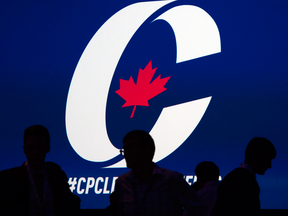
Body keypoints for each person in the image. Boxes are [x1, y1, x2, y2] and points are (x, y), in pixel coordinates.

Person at [108, 130, 203, 216]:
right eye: (124, 150)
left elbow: (198, 210)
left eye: (131, 148)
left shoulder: (172, 180)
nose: (126, 153)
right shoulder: (122, 182)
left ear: (147, 149)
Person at [0, 125, 80, 216]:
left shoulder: (57, 175)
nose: (35, 152)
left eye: (40, 148)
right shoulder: (9, 180)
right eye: (31, 148)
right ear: (24, 149)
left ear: (47, 148)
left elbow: (71, 203)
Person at [214, 137, 276, 216]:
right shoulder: (247, 181)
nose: (269, 166)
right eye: (268, 160)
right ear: (259, 157)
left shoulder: (231, 177)